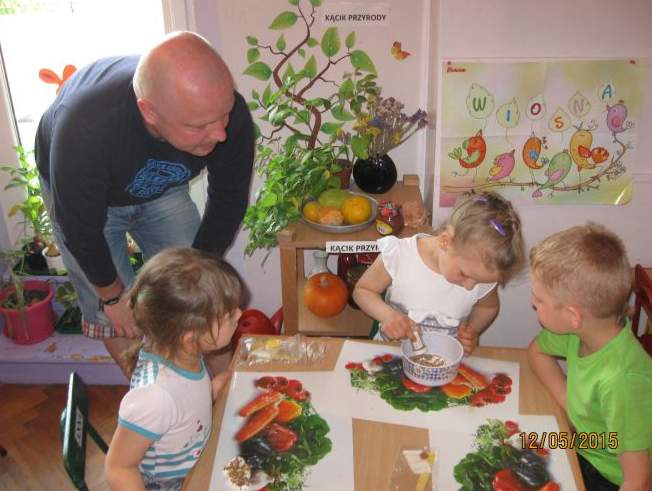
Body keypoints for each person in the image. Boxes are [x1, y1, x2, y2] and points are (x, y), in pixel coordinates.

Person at [34, 31, 254, 375]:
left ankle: (221, 395)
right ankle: (153, 400)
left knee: (202, 298)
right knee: (116, 317)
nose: (220, 134)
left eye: (223, 115)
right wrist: (111, 297)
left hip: (160, 184)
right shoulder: (85, 129)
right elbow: (80, 230)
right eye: (198, 126)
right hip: (87, 202)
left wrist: (198, 277)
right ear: (149, 112)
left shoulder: (226, 113)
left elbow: (228, 199)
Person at [105, 247, 242, 491]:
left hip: (197, 456)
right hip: (172, 484)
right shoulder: (153, 397)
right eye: (229, 316)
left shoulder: (184, 353)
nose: (239, 314)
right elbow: (118, 468)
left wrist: (217, 385)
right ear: (191, 337)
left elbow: (186, 404)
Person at [528, 223, 652, 491]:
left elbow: (639, 481)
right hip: (585, 445)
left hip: (610, 476)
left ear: (573, 315)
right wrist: (569, 406)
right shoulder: (582, 332)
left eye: (539, 300)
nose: (533, 304)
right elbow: (537, 351)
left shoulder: (622, 381)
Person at [353, 191, 525, 354]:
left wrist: (472, 330)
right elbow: (362, 291)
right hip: (390, 354)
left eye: (479, 281)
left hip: (444, 361)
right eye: (464, 274)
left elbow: (488, 306)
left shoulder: (480, 274)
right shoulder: (400, 254)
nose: (470, 286)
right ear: (445, 242)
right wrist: (388, 315)